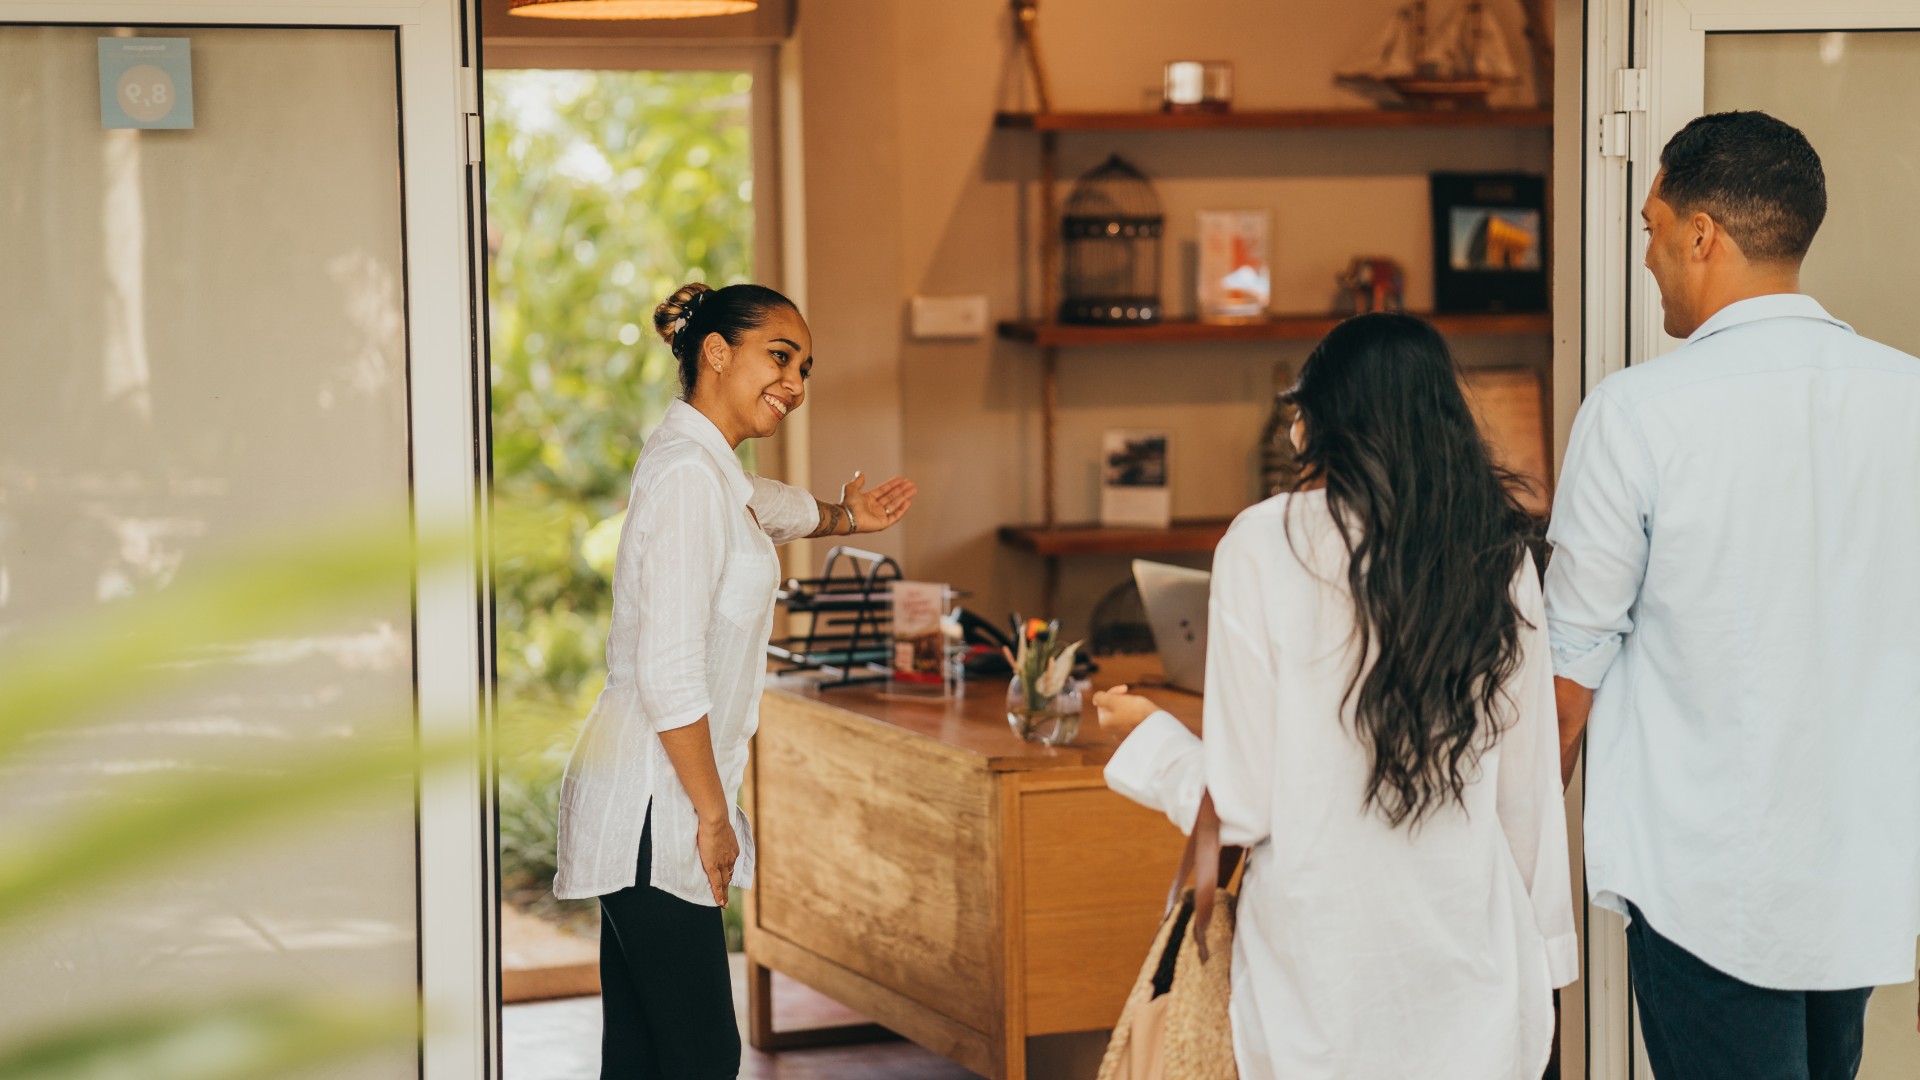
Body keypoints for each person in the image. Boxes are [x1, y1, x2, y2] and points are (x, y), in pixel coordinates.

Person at [1096, 313, 1577, 1080]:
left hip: (1320, 981)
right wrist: (1547, 963)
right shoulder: (1497, 550)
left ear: (1319, 422)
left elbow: (1243, 806)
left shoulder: (1263, 541)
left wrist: (1149, 740)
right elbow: (1527, 796)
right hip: (1473, 971)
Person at [1547, 110, 1920, 1080]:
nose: (1648, 254)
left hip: (1706, 884)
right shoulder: (1909, 400)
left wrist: (1510, 852)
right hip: (1860, 879)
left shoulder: (1635, 414)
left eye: (1650, 225)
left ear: (1701, 233)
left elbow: (1568, 672)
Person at [551, 282, 917, 1080]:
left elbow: (767, 507)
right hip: (660, 805)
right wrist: (714, 818)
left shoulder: (705, 469)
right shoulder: (690, 476)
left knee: (647, 1053)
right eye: (779, 357)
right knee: (702, 1054)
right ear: (716, 353)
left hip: (655, 794)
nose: (796, 383)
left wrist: (844, 517)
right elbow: (668, 669)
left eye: (805, 367)